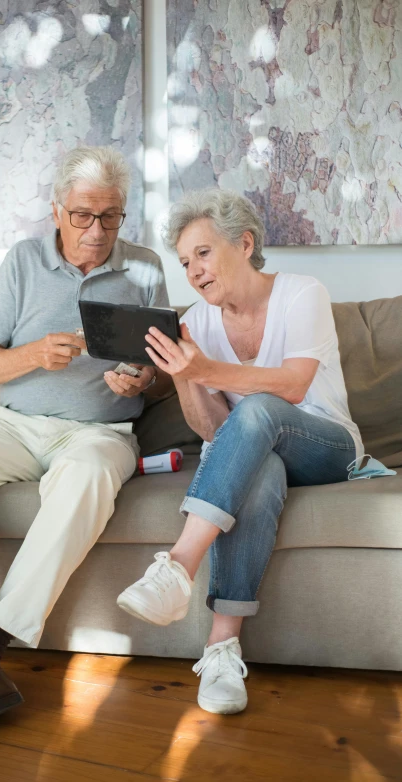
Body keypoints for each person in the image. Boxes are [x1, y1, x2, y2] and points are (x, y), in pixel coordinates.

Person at [0, 146, 170, 741]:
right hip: (13, 426)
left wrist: (144, 380)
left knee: (90, 475)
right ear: (57, 211)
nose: (96, 231)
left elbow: (162, 374)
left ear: (123, 215)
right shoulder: (23, 261)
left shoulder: (146, 267)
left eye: (110, 216)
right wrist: (33, 355)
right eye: (82, 215)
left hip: (100, 433)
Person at [117, 188, 363, 716]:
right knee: (259, 467)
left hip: (329, 448)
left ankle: (178, 565)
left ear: (245, 243)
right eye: (185, 262)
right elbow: (216, 432)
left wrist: (205, 369)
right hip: (266, 452)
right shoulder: (197, 323)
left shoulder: (303, 293)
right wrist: (185, 377)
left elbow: (293, 388)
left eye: (203, 253)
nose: (195, 271)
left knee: (260, 408)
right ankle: (221, 651)